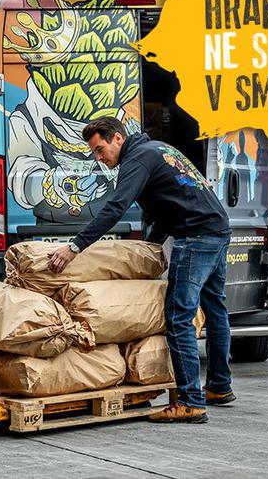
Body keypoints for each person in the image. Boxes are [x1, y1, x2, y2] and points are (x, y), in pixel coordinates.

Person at [48, 116, 235, 423]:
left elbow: (115, 206)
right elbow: (170, 205)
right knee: (215, 310)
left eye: (100, 149)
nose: (99, 158)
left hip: (197, 237)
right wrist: (146, 250)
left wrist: (75, 247)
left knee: (178, 317)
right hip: (216, 230)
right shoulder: (159, 150)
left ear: (118, 139)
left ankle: (190, 401)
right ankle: (219, 386)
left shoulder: (137, 160)